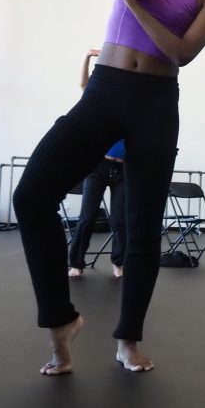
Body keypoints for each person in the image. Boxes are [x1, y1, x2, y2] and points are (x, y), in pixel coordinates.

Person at [13, 0, 205, 375]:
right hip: (105, 93)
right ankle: (60, 320)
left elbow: (182, 52)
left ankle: (128, 339)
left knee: (144, 226)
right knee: (30, 196)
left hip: (156, 103)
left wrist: (134, 2)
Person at [67, 49, 126, 279]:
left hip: (123, 170)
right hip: (99, 166)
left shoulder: (132, 107)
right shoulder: (100, 102)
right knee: (87, 217)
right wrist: (87, 57)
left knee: (119, 221)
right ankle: (76, 263)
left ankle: (118, 262)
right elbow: (83, 84)